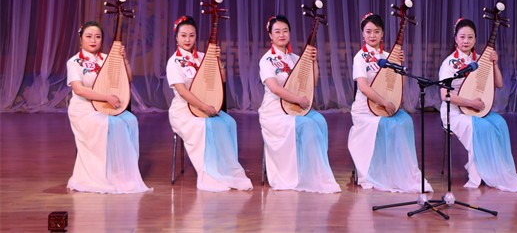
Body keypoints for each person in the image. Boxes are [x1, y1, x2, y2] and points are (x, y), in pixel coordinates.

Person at [437, 18, 517, 192]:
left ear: (475, 39)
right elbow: (445, 95)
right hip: (454, 112)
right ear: (455, 39)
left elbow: (499, 84)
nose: (466, 41)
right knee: (481, 127)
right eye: (462, 37)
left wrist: (494, 63)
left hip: (475, 109)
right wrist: (470, 102)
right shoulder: (449, 63)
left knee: (500, 124)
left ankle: (497, 170)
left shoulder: (480, 60)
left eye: (470, 37)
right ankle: (479, 174)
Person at [347, 13, 431, 192]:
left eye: (376, 31)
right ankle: (380, 171)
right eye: (368, 31)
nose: (372, 35)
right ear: (363, 34)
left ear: (382, 33)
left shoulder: (388, 56)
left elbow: (398, 85)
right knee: (387, 125)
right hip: (365, 109)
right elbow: (363, 87)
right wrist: (384, 102)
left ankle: (399, 170)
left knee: (405, 121)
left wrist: (400, 63)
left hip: (385, 105)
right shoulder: (360, 57)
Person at [166, 16, 252, 192]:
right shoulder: (173, 62)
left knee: (229, 122)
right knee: (204, 126)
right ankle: (210, 173)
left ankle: (225, 169)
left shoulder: (203, 57)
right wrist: (204, 107)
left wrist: (218, 61)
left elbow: (221, 80)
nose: (188, 39)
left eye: (191, 35)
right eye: (183, 35)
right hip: (184, 110)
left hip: (207, 106)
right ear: (176, 37)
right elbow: (182, 91)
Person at [258, 15, 340, 193]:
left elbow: (312, 83)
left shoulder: (296, 58)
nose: (281, 35)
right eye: (277, 32)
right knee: (307, 124)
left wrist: (313, 62)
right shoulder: (266, 60)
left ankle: (316, 172)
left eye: (285, 31)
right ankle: (303, 175)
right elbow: (275, 89)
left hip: (295, 107)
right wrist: (299, 100)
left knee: (319, 121)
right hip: (275, 111)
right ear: (270, 35)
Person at [66, 21, 151, 193]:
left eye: (97, 37)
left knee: (131, 120)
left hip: (106, 105)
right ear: (81, 39)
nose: (93, 40)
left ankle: (122, 174)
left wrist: (124, 59)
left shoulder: (107, 59)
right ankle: (103, 175)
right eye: (89, 36)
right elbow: (79, 89)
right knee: (113, 124)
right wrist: (106, 97)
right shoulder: (74, 62)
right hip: (84, 109)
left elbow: (128, 78)